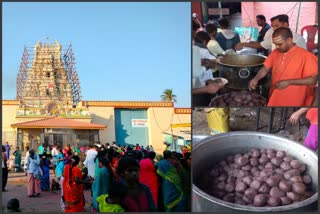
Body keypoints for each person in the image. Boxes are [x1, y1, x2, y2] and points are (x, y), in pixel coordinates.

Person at [248, 27, 318, 106]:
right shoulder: (275, 52)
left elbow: (313, 80)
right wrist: (255, 79)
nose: (277, 47)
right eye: (275, 44)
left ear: (289, 40)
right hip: (274, 96)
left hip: (294, 100)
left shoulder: (307, 56)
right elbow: (265, 68)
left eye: (279, 44)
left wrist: (289, 82)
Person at [235, 14, 306, 53]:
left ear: (285, 25)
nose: (274, 29)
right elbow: (261, 44)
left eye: (276, 26)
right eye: (273, 26)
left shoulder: (298, 40)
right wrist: (244, 44)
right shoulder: (274, 37)